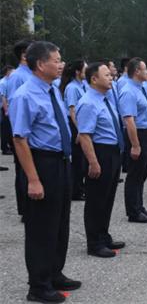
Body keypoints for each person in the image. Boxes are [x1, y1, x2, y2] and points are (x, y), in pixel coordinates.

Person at [10, 41, 81, 303]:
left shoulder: (52, 91)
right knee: (41, 227)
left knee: (60, 221)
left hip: (61, 162)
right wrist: (33, 179)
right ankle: (38, 285)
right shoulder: (25, 95)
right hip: (42, 163)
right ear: (41, 64)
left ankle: (54, 272)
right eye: (56, 60)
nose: (62, 64)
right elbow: (20, 139)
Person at [75, 63, 125, 258]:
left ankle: (104, 235)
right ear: (94, 79)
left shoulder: (105, 99)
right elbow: (85, 135)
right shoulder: (88, 102)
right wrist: (93, 162)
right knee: (96, 199)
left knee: (107, 197)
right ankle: (94, 242)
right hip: (100, 152)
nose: (111, 77)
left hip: (112, 151)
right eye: (106, 75)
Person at [118, 58, 147, 223]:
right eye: (144, 69)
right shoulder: (128, 91)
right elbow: (129, 120)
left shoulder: (140, 88)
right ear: (136, 71)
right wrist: (135, 145)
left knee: (142, 173)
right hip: (138, 134)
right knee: (135, 174)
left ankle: (139, 206)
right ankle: (133, 211)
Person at [6, 39, 35, 217]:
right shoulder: (17, 76)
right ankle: (25, 209)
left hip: (33, 133)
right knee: (23, 170)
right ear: (24, 55)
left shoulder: (32, 74)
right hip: (22, 131)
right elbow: (12, 106)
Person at [60, 60, 88, 201]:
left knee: (82, 160)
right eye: (85, 69)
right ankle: (75, 191)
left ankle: (80, 188)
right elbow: (72, 111)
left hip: (81, 124)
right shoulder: (72, 88)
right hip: (75, 124)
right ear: (77, 72)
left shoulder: (82, 85)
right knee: (77, 160)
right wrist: (79, 131)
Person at [0, 65, 15, 157]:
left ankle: (8, 146)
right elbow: (3, 97)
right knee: (5, 129)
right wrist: (6, 110)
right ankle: (4, 148)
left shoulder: (9, 81)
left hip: (8, 107)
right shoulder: (3, 82)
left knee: (9, 129)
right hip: (4, 108)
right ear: (7, 72)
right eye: (12, 72)